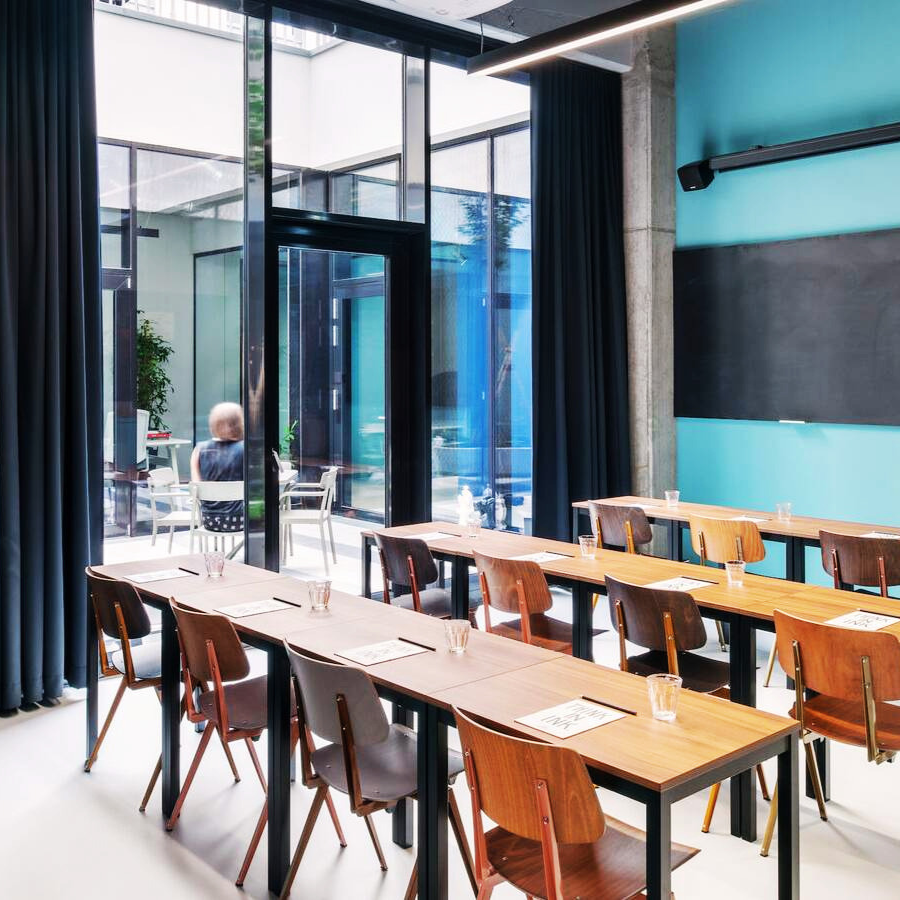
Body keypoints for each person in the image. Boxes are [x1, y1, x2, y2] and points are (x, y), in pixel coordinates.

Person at [190, 402, 244, 533]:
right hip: (242, 521)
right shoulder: (246, 449)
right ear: (239, 423)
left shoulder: (198, 450)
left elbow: (196, 488)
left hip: (209, 521)